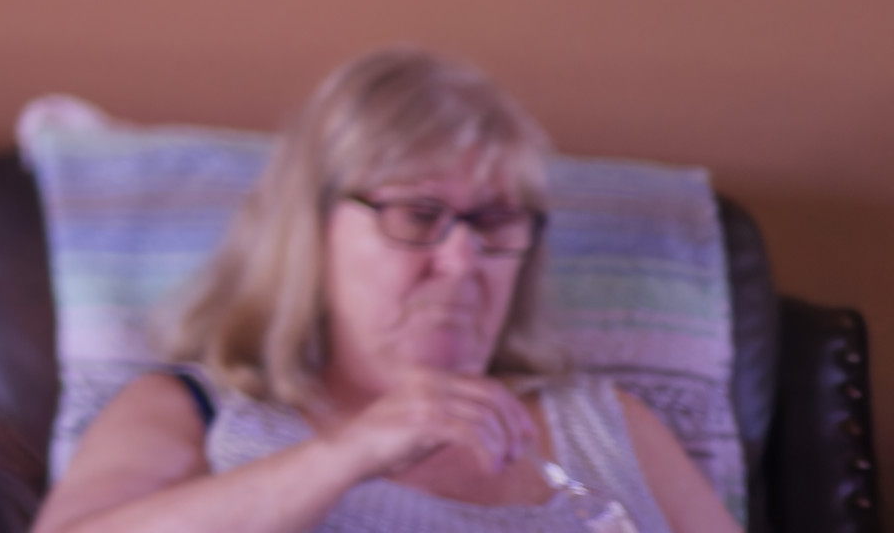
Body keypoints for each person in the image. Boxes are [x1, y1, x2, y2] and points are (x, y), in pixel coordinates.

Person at [36, 48, 741, 533]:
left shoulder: (607, 423)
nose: (463, 261)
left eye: (495, 221)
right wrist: (349, 454)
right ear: (311, 230)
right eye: (417, 216)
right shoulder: (197, 412)